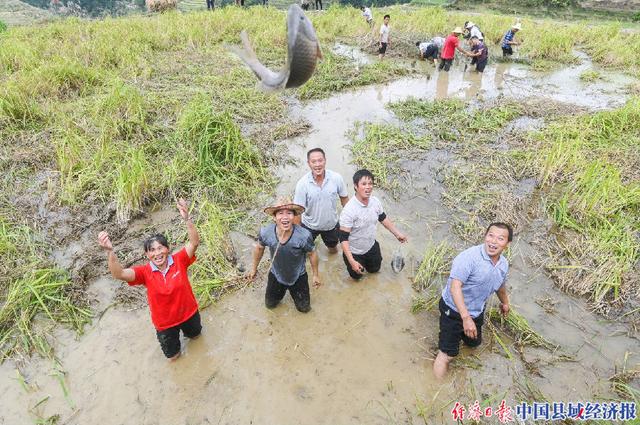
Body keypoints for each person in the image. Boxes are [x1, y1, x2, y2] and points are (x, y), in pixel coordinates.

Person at [96, 199, 201, 361]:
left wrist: (187, 218)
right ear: (147, 255)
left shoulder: (179, 260)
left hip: (189, 314)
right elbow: (119, 274)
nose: (157, 253)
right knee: (174, 358)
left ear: (167, 249)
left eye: (160, 248)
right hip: (165, 325)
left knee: (197, 341)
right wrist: (110, 251)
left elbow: (194, 242)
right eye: (152, 250)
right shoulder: (144, 272)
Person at [432, 223, 513, 379]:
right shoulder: (468, 258)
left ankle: (464, 335)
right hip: (454, 311)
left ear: (507, 244)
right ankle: (436, 390)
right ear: (485, 236)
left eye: (500, 238)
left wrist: (505, 303)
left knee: (473, 344)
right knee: (447, 355)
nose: (493, 241)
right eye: (490, 235)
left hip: (476, 310)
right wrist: (465, 318)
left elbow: (500, 285)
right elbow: (455, 288)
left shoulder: (503, 264)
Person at [248, 197, 320, 313]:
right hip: (276, 274)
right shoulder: (266, 232)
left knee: (304, 309)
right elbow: (259, 248)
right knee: (270, 305)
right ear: (274, 217)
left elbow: (312, 253)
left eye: (289, 213)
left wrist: (315, 275)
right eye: (280, 213)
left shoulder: (303, 236)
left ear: (294, 216)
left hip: (298, 276)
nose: (285, 217)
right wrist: (253, 269)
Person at [339, 169, 407, 280]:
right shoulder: (349, 211)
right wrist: (352, 261)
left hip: (371, 246)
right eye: (364, 184)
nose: (368, 187)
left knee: (375, 270)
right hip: (354, 252)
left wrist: (397, 234)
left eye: (370, 183)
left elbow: (383, 218)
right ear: (356, 186)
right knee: (356, 277)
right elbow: (343, 239)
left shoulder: (375, 202)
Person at [293, 148, 349, 254]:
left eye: (320, 160)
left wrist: (349, 221)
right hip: (309, 226)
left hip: (331, 225)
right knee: (305, 251)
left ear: (325, 160)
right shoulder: (302, 184)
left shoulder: (336, 178)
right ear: (308, 163)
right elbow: (297, 210)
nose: (317, 164)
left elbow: (344, 199)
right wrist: (298, 232)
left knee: (333, 249)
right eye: (313, 161)